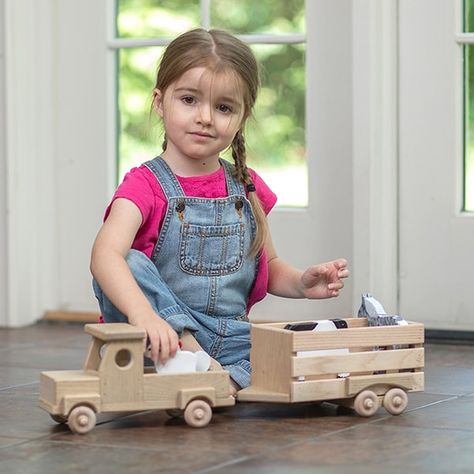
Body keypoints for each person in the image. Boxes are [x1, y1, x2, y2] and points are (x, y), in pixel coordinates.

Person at [90, 28, 349, 393]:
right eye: (189, 100)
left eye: (223, 107)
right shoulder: (144, 185)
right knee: (128, 261)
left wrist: (302, 283)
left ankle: (219, 378)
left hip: (229, 336)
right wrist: (145, 316)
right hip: (157, 334)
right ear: (160, 102)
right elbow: (104, 256)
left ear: (242, 117)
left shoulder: (246, 186)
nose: (206, 117)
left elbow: (268, 265)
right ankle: (191, 358)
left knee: (294, 349)